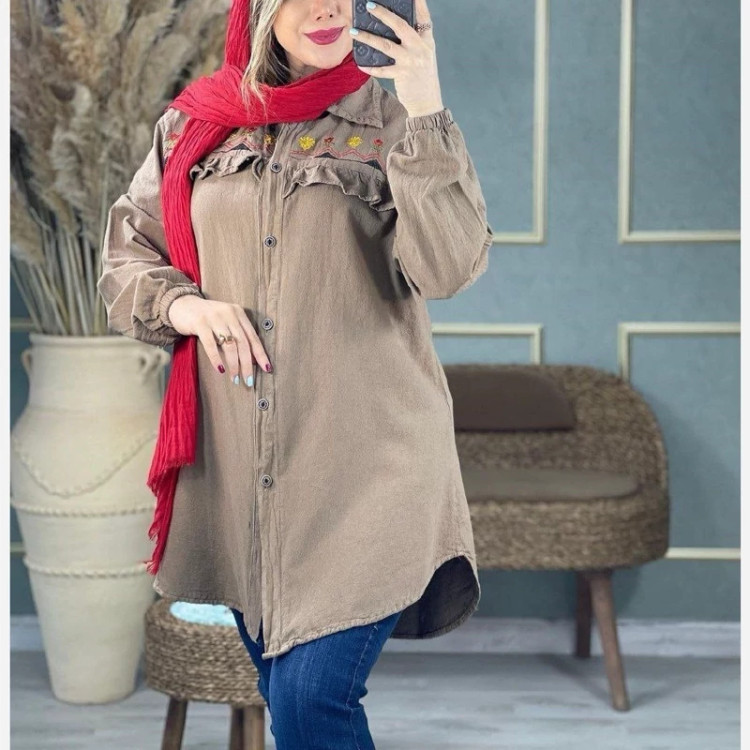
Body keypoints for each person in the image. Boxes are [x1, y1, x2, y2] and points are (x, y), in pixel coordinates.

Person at [97, 0, 493, 746]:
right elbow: (126, 257)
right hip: (241, 479)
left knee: (313, 700)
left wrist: (426, 104)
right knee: (292, 706)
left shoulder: (396, 122)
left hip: (370, 469)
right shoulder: (194, 125)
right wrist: (188, 307)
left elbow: (448, 268)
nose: (329, 8)